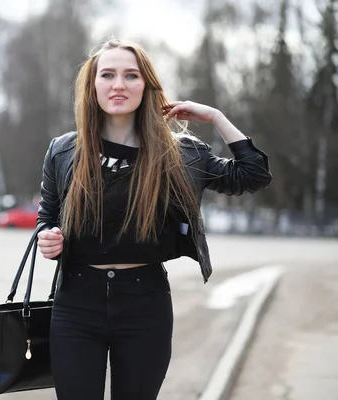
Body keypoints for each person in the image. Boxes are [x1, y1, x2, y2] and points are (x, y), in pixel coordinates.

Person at [35, 39, 272, 400]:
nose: (119, 84)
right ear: (92, 85)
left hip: (145, 303)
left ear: (146, 85)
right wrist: (48, 238)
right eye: (108, 74)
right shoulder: (64, 150)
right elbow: (47, 217)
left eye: (131, 75)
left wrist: (214, 117)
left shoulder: (181, 155)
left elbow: (252, 175)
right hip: (76, 304)